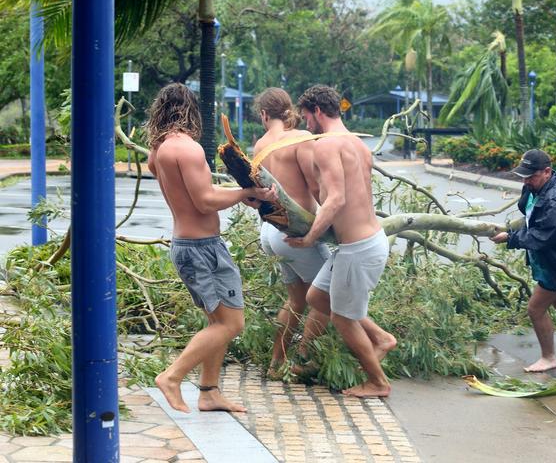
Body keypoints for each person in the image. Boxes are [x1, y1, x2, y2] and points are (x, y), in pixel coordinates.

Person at [145, 83, 277, 413]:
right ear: (191, 110)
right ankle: (172, 377)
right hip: (201, 249)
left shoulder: (159, 151)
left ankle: (209, 392)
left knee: (217, 322)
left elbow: (198, 192)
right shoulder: (187, 150)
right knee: (231, 324)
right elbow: (205, 202)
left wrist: (239, 193)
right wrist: (252, 195)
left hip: (191, 245)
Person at [286, 84, 396, 398]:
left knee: (343, 317)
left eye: (306, 117)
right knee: (317, 298)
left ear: (318, 111)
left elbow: (335, 200)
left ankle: (378, 382)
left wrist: (309, 238)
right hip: (363, 242)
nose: (306, 125)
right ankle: (381, 338)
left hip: (358, 249)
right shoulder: (358, 144)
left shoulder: (326, 145)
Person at [252, 88, 331, 379]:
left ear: (263, 115)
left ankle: (276, 364)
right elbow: (314, 187)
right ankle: (302, 358)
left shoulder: (260, 144)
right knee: (328, 297)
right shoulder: (299, 139)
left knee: (297, 300)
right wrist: (334, 221)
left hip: (269, 232)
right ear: (289, 111)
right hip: (294, 233)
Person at [490, 149, 556, 373]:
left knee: (535, 309)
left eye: (531, 176)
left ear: (547, 171)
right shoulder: (538, 185)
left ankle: (548, 357)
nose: (526, 181)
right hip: (550, 255)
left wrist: (510, 237)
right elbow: (531, 217)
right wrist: (511, 230)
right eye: (523, 176)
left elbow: (543, 235)